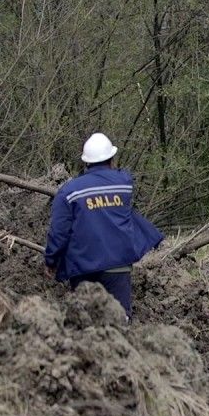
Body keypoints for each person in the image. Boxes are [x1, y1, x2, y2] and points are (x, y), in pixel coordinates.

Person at [44, 133, 164, 320]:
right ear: (112, 159)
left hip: (83, 267)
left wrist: (51, 261)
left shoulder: (69, 192)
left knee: (84, 320)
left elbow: (59, 232)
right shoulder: (124, 184)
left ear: (86, 162)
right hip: (117, 264)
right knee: (120, 319)